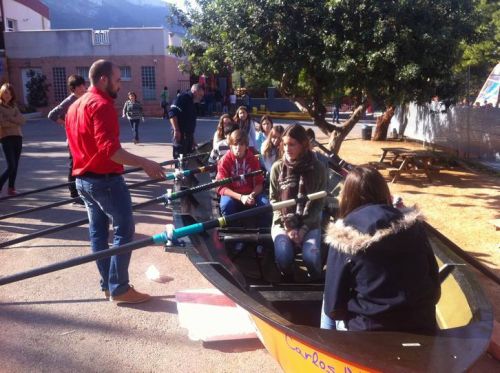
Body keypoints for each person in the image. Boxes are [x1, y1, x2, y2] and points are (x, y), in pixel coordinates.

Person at [65, 59, 166, 304]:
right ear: (103, 79)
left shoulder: (74, 107)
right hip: (105, 181)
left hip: (83, 180)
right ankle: (119, 288)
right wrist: (145, 162)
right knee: (124, 230)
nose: (120, 85)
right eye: (118, 80)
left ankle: (108, 286)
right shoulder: (101, 105)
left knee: (98, 234)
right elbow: (111, 151)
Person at [321, 166, 441, 332]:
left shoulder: (342, 234)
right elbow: (435, 286)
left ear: (348, 196)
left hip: (369, 330)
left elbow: (333, 307)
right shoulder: (415, 226)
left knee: (326, 300)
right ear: (383, 191)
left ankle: (328, 343)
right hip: (422, 325)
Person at [270, 124, 326, 281]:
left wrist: (302, 230)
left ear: (303, 145)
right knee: (283, 254)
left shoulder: (318, 168)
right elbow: (274, 201)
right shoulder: (277, 168)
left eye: (292, 144)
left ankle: (315, 279)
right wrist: (288, 228)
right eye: (285, 144)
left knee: (311, 256)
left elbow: (318, 205)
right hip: (282, 222)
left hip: (310, 222)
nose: (287, 149)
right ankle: (287, 277)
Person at [47, 74, 87, 203]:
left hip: (84, 138)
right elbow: (52, 115)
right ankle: (74, 193)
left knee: (83, 164)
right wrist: (66, 123)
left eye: (83, 85)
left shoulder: (85, 98)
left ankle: (83, 190)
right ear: (73, 88)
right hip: (73, 140)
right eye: (80, 86)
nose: (83, 88)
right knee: (74, 165)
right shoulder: (70, 100)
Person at [216, 129, 269, 220]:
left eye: (241, 144)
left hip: (250, 195)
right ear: (231, 146)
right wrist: (241, 197)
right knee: (226, 205)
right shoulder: (224, 161)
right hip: (232, 196)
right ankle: (231, 230)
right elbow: (221, 188)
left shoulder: (253, 159)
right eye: (235, 145)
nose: (238, 148)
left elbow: (259, 184)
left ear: (246, 146)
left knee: (265, 204)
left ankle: (264, 228)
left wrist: (251, 195)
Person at [0, 83, 26, 196]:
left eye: (10, 93)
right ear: (1, 92)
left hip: (18, 137)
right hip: (5, 137)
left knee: (15, 164)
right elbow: (2, 123)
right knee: (11, 165)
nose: (8, 95)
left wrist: (10, 118)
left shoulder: (13, 106)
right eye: (6, 92)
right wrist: (14, 120)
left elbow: (22, 121)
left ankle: (11, 188)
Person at [168, 83, 205, 159]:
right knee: (180, 162)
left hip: (189, 138)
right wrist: (176, 130)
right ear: (194, 92)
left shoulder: (193, 103)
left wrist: (192, 139)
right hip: (180, 137)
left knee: (188, 162)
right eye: (200, 95)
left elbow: (190, 123)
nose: (201, 98)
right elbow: (172, 113)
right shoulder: (182, 98)